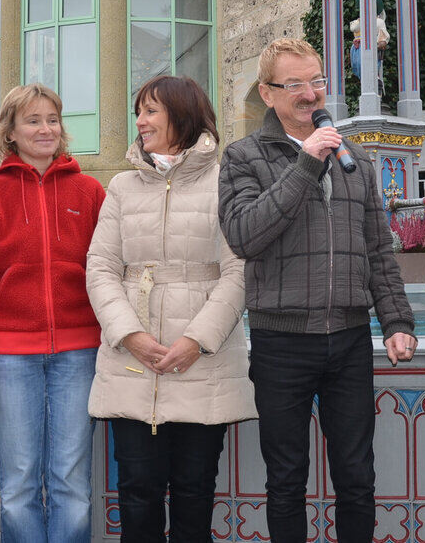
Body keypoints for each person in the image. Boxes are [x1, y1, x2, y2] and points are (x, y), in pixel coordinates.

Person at [218, 38, 416, 541]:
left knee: (358, 479)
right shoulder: (243, 156)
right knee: (286, 481)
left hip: (348, 340)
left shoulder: (355, 159)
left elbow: (377, 250)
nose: (311, 94)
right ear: (267, 93)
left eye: (318, 81)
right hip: (280, 343)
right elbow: (245, 236)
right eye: (296, 84)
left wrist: (396, 321)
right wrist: (305, 163)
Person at [87, 75, 255, 540]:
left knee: (195, 491)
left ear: (182, 115)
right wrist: (130, 336)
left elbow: (238, 269)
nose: (139, 121)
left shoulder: (226, 180)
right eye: (139, 111)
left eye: (150, 111)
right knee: (136, 492)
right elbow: (100, 267)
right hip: (132, 364)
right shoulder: (122, 187)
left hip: (204, 364)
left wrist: (196, 341)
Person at [0, 83, 105, 542]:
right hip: (9, 359)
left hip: (79, 354)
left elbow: (108, 273)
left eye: (52, 120)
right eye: (33, 121)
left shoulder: (91, 191)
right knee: (18, 482)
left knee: (71, 480)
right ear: (11, 133)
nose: (46, 129)